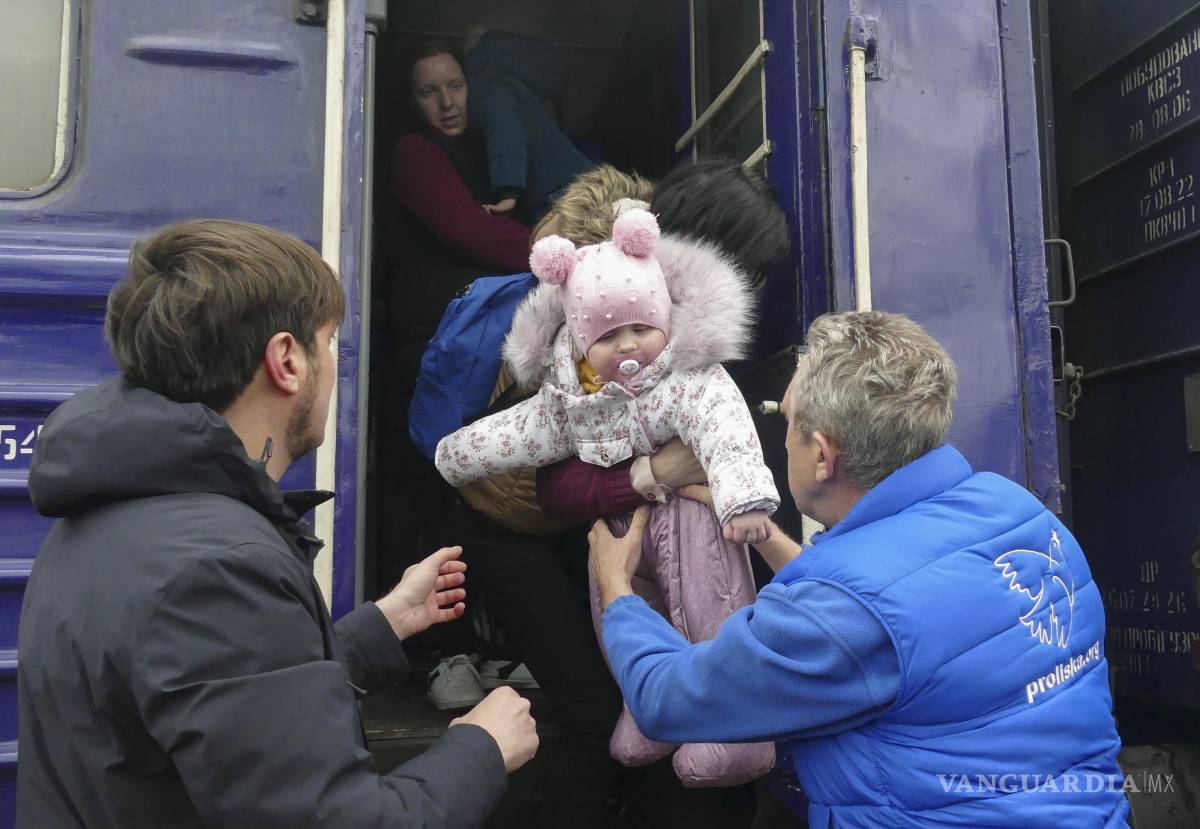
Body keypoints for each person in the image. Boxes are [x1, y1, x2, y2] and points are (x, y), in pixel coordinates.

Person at [16, 220, 539, 828]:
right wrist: (481, 748)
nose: (335, 366)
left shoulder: (111, 518)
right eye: (329, 342)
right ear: (287, 360)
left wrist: (385, 623)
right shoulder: (217, 569)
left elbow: (217, 695)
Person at [589, 311, 1130, 828]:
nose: (784, 436)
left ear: (823, 456)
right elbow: (894, 610)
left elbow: (665, 699)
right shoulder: (1020, 511)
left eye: (788, 420)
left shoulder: (844, 614)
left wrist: (617, 589)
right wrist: (766, 536)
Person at [434, 206, 781, 787]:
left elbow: (727, 431)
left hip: (697, 524)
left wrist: (745, 501)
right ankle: (647, 711)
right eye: (607, 336)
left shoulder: (691, 373)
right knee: (620, 613)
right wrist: (453, 455)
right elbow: (522, 436)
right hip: (620, 525)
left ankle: (732, 727)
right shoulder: (570, 395)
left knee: (708, 609)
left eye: (640, 329)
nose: (628, 346)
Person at [464, 29, 594, 224]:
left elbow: (505, 132)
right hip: (586, 186)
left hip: (562, 197)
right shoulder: (521, 88)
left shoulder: (490, 86)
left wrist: (507, 193)